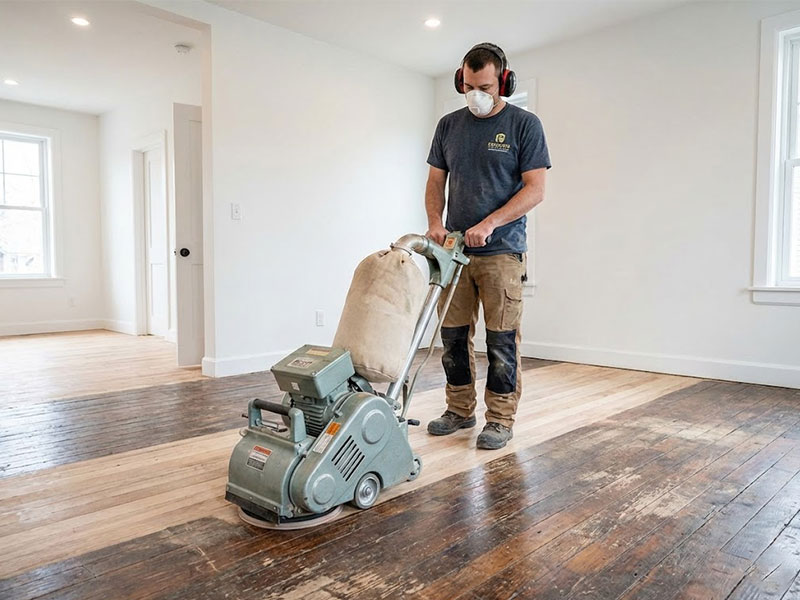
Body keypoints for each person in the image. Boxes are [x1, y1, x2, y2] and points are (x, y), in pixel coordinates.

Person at [425, 42, 550, 450]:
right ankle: (459, 410)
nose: (475, 94)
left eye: (485, 87)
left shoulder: (524, 125)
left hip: (501, 252)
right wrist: (435, 223)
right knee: (453, 339)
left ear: (504, 82)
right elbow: (435, 181)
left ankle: (500, 419)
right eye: (468, 86)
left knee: (500, 342)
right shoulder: (448, 126)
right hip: (455, 252)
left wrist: (490, 223)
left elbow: (535, 189)